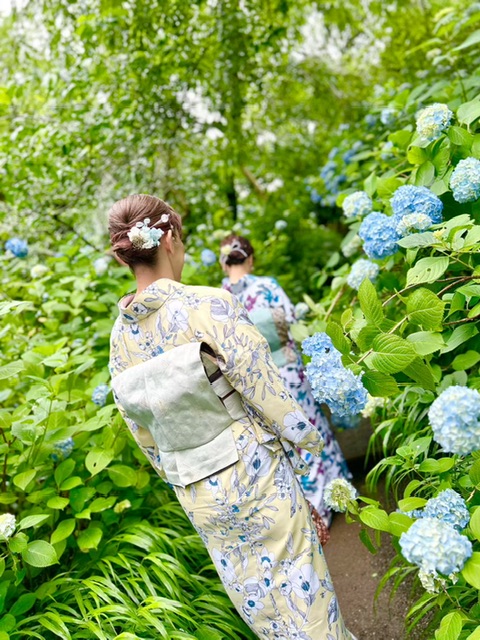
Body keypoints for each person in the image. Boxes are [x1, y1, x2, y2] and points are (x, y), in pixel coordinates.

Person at [108, 194, 355, 640]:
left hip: (196, 487)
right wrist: (306, 438)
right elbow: (263, 385)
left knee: (259, 604)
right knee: (304, 591)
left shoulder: (120, 338)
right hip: (254, 472)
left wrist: (176, 470)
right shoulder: (207, 304)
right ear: (169, 240)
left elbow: (142, 430)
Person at [219, 235, 351, 525]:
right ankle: (336, 493)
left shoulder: (219, 298)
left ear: (224, 262)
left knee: (285, 438)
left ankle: (311, 510)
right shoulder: (268, 287)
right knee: (310, 426)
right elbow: (291, 323)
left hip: (255, 382)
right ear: (250, 259)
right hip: (288, 370)